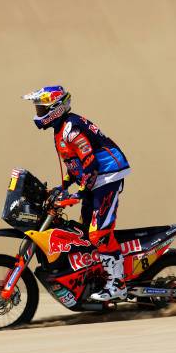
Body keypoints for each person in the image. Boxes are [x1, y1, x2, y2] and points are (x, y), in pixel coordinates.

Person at [23, 85, 131, 301]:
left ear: (56, 109)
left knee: (99, 233)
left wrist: (80, 192)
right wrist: (62, 187)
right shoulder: (60, 129)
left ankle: (118, 284)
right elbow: (75, 166)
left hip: (107, 177)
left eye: (42, 109)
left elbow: (89, 162)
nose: (39, 114)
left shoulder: (71, 129)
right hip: (95, 180)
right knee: (83, 231)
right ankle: (96, 276)